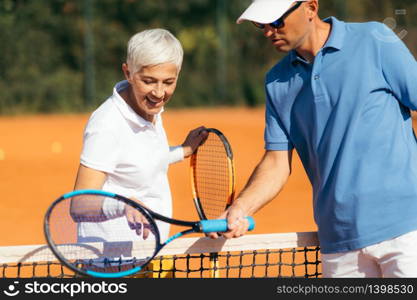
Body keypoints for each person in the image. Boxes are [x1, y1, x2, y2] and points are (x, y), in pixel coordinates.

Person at [210, 0, 417, 278]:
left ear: (310, 8)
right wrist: (240, 207)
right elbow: (276, 162)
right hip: (339, 244)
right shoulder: (277, 81)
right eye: (261, 25)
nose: (268, 31)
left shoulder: (374, 40)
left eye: (276, 22)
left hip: (407, 232)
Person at [73, 28, 208, 245]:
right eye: (149, 81)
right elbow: (79, 205)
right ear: (128, 73)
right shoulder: (107, 125)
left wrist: (183, 151)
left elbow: (141, 158)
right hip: (112, 263)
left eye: (168, 82)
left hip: (153, 252)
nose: (159, 92)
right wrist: (123, 206)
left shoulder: (148, 108)